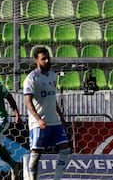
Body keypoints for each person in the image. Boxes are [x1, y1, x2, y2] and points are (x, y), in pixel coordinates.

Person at [23, 47, 71, 180]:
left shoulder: (53, 75)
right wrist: (38, 119)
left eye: (48, 57)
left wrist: (61, 117)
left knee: (65, 150)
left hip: (54, 121)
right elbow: (28, 102)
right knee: (36, 155)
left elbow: (52, 99)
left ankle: (56, 178)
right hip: (39, 123)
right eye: (43, 58)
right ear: (36, 60)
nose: (47, 60)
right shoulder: (31, 78)